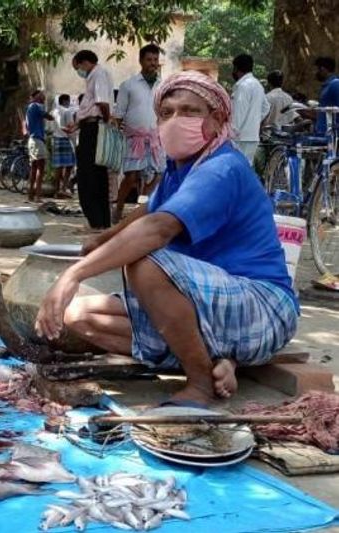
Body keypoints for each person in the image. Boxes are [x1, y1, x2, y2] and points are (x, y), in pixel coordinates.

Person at [35, 71, 298, 406]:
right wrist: (101, 241)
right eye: (167, 112)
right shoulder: (180, 168)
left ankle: (201, 383)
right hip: (209, 304)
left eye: (190, 111)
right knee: (78, 317)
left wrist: (74, 273)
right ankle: (217, 359)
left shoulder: (222, 168)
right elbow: (149, 211)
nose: (175, 120)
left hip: (262, 306)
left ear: (217, 120)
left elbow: (158, 228)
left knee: (145, 262)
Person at [113, 44, 166, 221]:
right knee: (131, 176)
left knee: (158, 175)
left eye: (155, 60)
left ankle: (140, 209)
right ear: (141, 61)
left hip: (156, 138)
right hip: (134, 138)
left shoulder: (163, 86)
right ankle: (118, 208)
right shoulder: (128, 85)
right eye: (149, 60)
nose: (153, 63)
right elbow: (119, 114)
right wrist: (114, 139)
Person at [70, 49, 115, 229]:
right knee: (95, 175)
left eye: (77, 67)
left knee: (89, 176)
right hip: (90, 126)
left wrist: (105, 120)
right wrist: (77, 125)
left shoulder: (98, 74)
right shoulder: (94, 77)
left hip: (94, 129)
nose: (78, 72)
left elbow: (102, 103)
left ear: (84, 62)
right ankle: (99, 219)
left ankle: (98, 218)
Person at [230, 54, 270, 165]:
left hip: (240, 137)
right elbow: (266, 107)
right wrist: (254, 120)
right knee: (247, 167)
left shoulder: (243, 86)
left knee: (237, 168)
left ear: (236, 68)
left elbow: (238, 113)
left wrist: (231, 135)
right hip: (252, 135)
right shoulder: (257, 85)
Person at [24, 90, 53, 202]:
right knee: (41, 169)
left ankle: (31, 195)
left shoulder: (29, 108)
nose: (43, 96)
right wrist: (54, 116)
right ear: (35, 97)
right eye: (41, 94)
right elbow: (48, 116)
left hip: (32, 139)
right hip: (37, 139)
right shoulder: (36, 106)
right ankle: (38, 196)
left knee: (34, 168)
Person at [299, 57, 339, 135]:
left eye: (316, 70)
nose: (314, 73)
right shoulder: (326, 86)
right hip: (321, 134)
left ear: (323, 69)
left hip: (331, 136)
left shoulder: (335, 84)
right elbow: (324, 112)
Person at [51, 94, 76, 197]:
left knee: (59, 166)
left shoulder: (54, 112)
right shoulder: (67, 111)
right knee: (70, 165)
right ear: (66, 101)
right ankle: (64, 188)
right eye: (68, 101)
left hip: (55, 140)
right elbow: (70, 126)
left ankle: (57, 190)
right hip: (65, 140)